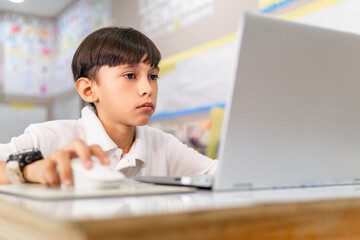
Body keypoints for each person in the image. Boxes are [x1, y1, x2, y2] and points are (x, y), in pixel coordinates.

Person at [0, 27, 218, 187]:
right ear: (88, 90)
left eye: (153, 76)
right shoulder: (49, 137)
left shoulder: (163, 145)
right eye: (130, 75)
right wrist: (27, 170)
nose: (147, 89)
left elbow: (225, 175)